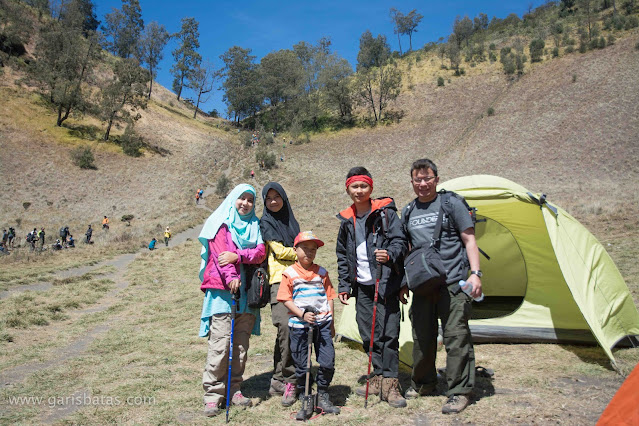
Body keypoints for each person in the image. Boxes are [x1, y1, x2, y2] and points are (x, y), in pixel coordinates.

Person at [400, 158, 482, 414]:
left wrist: (476, 274)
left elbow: (469, 240)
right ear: (412, 182)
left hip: (453, 283)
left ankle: (459, 391)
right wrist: (404, 283)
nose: (423, 184)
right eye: (418, 179)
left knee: (455, 337)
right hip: (423, 286)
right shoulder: (409, 211)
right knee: (422, 338)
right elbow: (408, 251)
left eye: (427, 178)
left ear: (437, 179)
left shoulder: (451, 204)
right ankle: (424, 384)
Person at [336, 167, 408, 408]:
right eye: (354, 186)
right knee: (368, 335)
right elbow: (342, 255)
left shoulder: (386, 214)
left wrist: (389, 254)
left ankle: (391, 383)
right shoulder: (347, 220)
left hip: (385, 283)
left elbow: (400, 241)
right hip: (363, 287)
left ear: (371, 188)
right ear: (347, 189)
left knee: (388, 334)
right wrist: (345, 284)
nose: (359, 191)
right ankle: (377, 374)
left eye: (363, 186)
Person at [198, 184, 266, 418]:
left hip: (247, 294)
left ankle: (235, 388)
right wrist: (232, 277)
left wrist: (239, 255)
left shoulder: (254, 225)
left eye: (250, 200)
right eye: (241, 198)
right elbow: (220, 256)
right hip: (223, 293)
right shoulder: (221, 223)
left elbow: (260, 252)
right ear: (233, 199)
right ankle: (213, 395)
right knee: (220, 345)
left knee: (240, 346)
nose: (245, 203)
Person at [277, 231, 341, 418]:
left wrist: (331, 322)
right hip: (299, 326)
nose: (309, 253)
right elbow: (285, 299)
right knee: (302, 364)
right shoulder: (289, 273)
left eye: (313, 249)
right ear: (295, 250)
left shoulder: (322, 273)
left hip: (322, 324)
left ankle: (322, 393)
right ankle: (306, 397)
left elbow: (330, 297)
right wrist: (302, 314)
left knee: (328, 361)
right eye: (305, 249)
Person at [260, 182, 300, 406]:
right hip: (278, 281)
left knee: (289, 331)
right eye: (269, 198)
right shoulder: (266, 222)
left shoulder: (291, 222)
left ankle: (278, 379)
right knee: (286, 327)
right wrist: (302, 251)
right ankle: (291, 379)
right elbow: (279, 251)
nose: (273, 201)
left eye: (277, 197)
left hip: (298, 279)